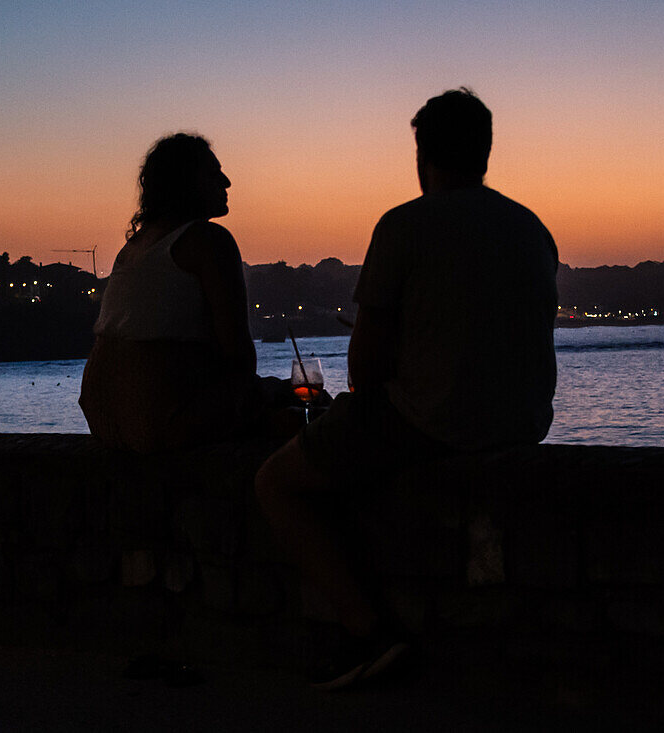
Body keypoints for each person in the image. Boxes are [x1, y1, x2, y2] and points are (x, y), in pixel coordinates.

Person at [255, 88, 558, 690]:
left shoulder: (404, 224)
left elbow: (364, 375)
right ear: (485, 154)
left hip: (433, 422)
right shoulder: (532, 228)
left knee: (275, 482)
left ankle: (369, 634)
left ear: (422, 156)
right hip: (525, 422)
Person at [80, 133, 270, 453]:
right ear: (184, 183)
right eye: (213, 173)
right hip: (161, 421)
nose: (227, 182)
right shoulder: (207, 240)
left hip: (104, 421)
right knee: (297, 407)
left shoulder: (133, 247)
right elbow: (239, 357)